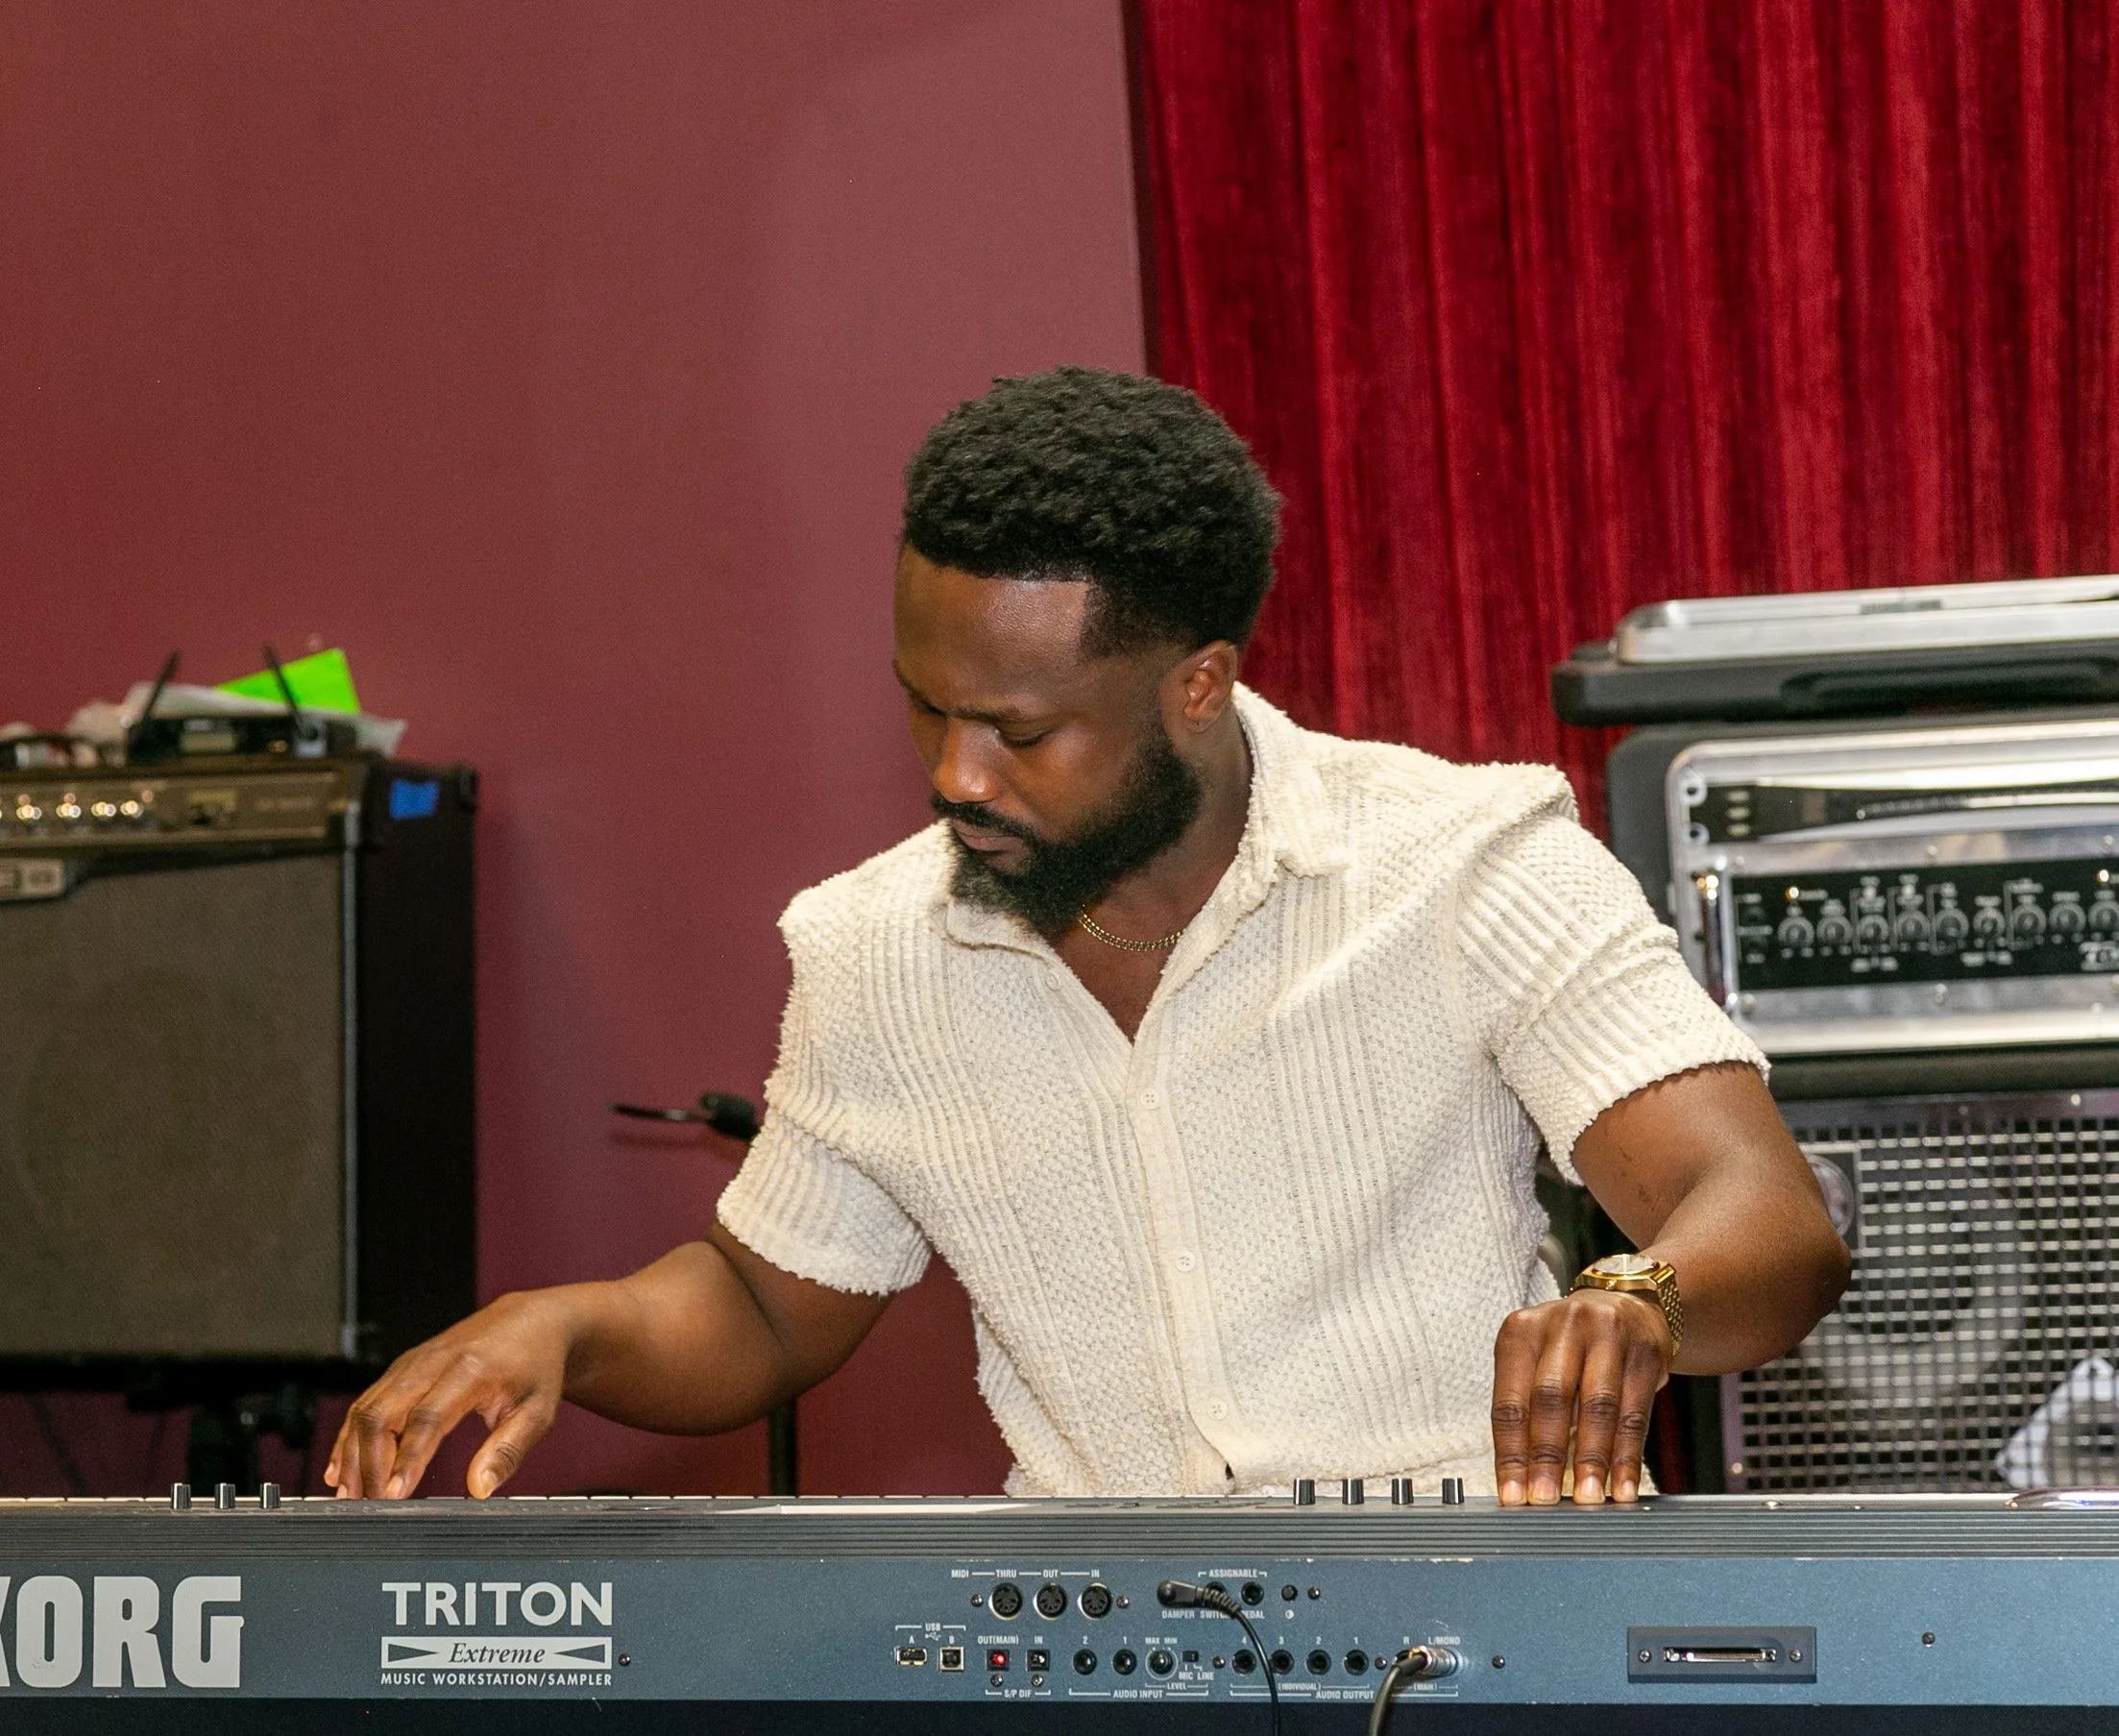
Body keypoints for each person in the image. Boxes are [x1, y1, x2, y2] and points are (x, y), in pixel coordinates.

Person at [327, 367, 1848, 1508]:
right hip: (1092, 1643)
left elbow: (1762, 1213)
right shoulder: (875, 949)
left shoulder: (1466, 862)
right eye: (925, 703)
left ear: (1196, 684)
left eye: (1019, 728)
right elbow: (761, 1304)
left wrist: (1632, 1299)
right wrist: (567, 1326)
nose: (952, 774)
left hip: (1484, 1615)